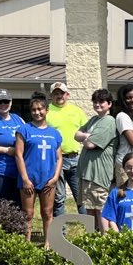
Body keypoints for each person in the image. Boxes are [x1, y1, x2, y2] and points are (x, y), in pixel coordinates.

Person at [14, 92, 62, 247]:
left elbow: (59, 158)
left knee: (47, 212)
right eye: (34, 109)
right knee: (27, 213)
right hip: (29, 178)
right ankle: (26, 243)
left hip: (48, 179)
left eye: (40, 109)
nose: (37, 112)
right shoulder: (24, 130)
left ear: (46, 110)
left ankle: (48, 243)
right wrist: (25, 179)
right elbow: (18, 155)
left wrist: (55, 177)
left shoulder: (54, 133)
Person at [75, 89, 118, 229]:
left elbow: (90, 144)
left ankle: (104, 243)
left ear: (109, 104)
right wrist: (87, 135)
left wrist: (86, 136)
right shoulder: (94, 119)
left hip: (98, 175)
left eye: (101, 102)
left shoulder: (108, 121)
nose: (97, 105)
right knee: (90, 208)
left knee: (100, 209)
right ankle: (92, 240)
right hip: (88, 173)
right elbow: (76, 134)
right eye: (95, 102)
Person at [47, 82, 89, 217]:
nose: (59, 96)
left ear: (67, 95)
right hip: (56, 160)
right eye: (56, 93)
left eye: (62, 93)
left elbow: (88, 130)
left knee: (81, 198)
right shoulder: (46, 112)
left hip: (76, 158)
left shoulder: (77, 111)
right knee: (58, 199)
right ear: (51, 96)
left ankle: (90, 231)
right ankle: (61, 233)